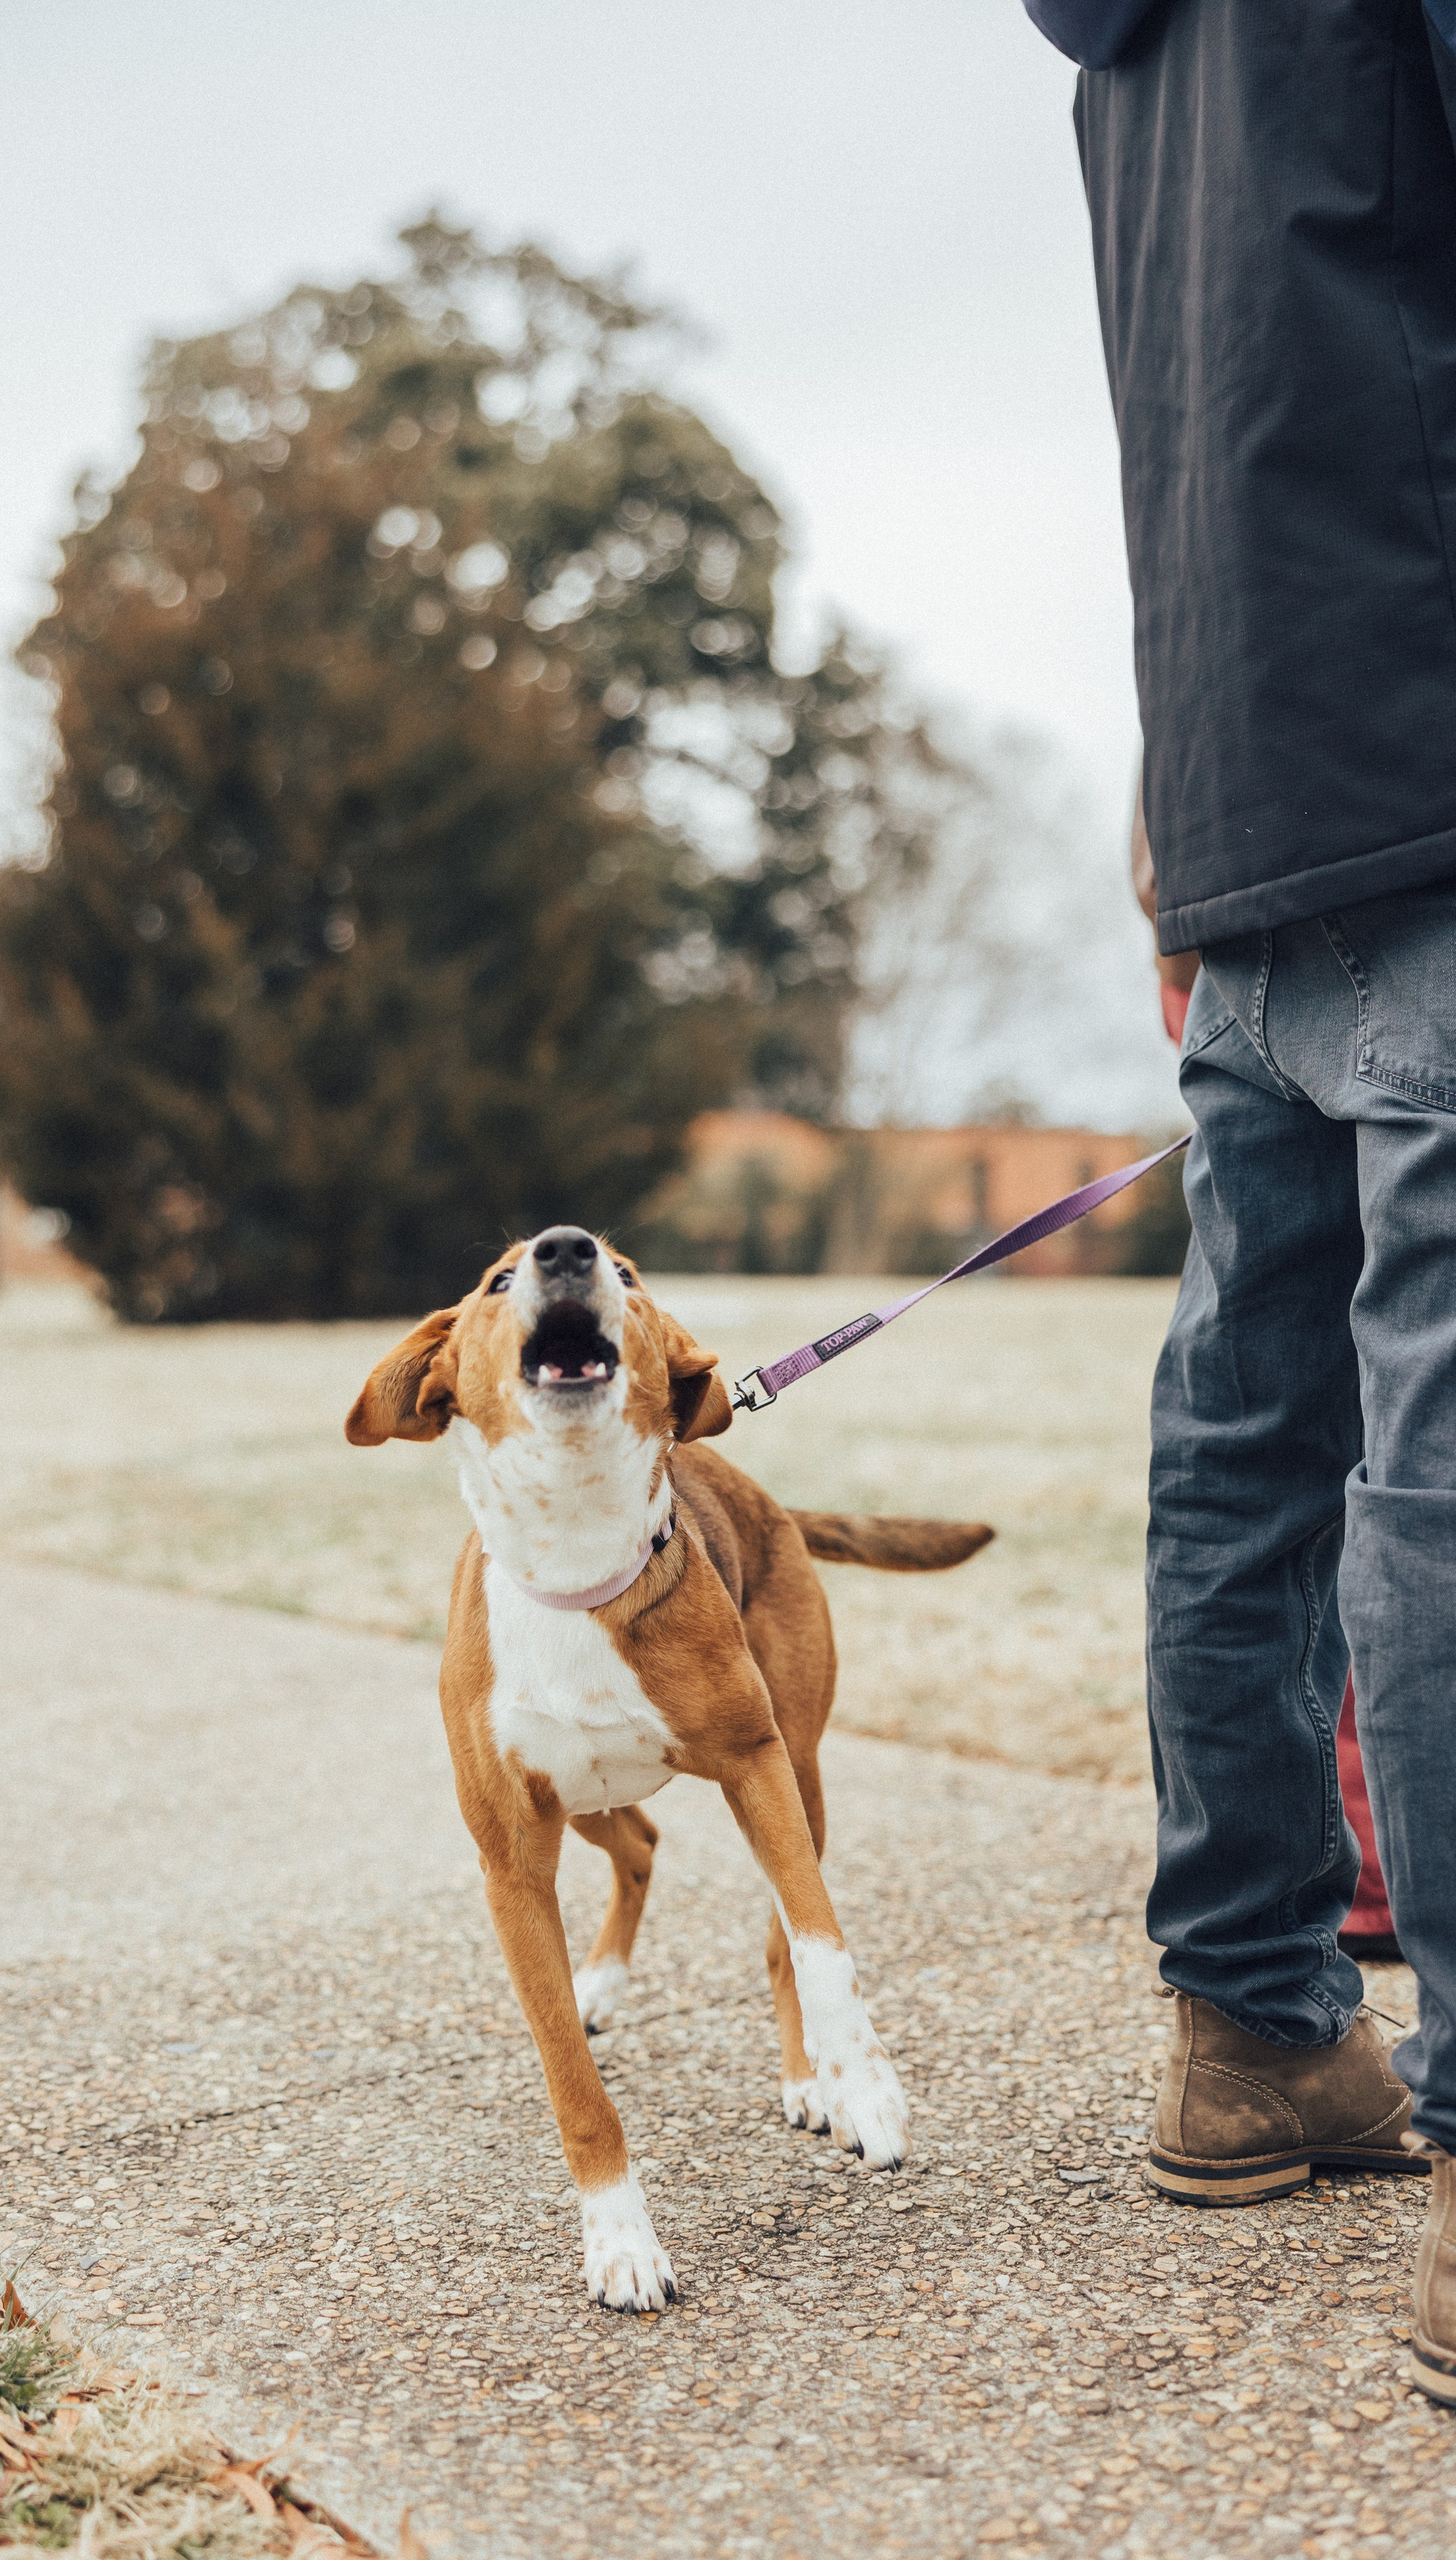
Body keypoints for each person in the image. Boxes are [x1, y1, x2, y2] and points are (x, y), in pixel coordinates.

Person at [1027, 0, 1456, 2408]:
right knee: (1429, 1472)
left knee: (1253, 1437)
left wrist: (1174, 784)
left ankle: (1254, 2036)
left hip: (1249, 773)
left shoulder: (1125, 44)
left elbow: (1181, 406)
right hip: (1419, 755)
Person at [1131, 790, 1403, 1965]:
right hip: (1407, 899)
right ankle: (1379, 1884)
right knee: (1408, 1452)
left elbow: (1154, 870)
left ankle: (1246, 2011)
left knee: (1249, 1461)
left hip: (1232, 913)